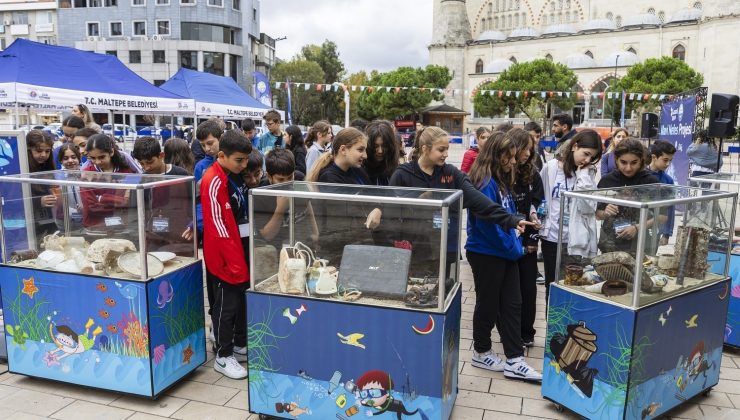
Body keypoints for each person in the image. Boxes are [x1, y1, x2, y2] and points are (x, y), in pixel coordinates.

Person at [466, 128, 542, 381]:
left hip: (506, 253)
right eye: (508, 157)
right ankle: (481, 350)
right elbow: (489, 226)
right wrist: (514, 247)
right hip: (487, 253)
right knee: (488, 304)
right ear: (495, 155)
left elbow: (506, 219)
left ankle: (514, 358)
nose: (512, 161)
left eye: (513, 156)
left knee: (512, 304)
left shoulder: (500, 180)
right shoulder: (485, 182)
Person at [200, 130, 252, 379]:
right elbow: (219, 227)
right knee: (225, 307)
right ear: (222, 155)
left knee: (239, 304)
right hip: (223, 258)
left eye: (246, 160)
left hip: (234, 253)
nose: (244, 165)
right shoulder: (213, 180)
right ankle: (223, 355)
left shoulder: (228, 175)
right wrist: (234, 263)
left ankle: (240, 344)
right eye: (239, 160)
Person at [539, 130, 602, 305]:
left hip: (575, 241)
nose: (587, 160)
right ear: (575, 146)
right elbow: (542, 198)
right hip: (552, 237)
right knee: (552, 286)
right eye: (586, 154)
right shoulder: (550, 168)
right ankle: (553, 326)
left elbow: (588, 207)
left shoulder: (587, 173)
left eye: (592, 157)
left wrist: (583, 176)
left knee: (574, 286)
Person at [507, 128, 544, 349]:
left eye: (531, 150)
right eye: (525, 149)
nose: (528, 154)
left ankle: (526, 332)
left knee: (529, 289)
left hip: (528, 238)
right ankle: (509, 332)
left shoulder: (533, 173)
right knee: (511, 292)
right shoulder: (501, 173)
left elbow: (538, 204)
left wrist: (533, 238)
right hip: (507, 239)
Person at [596, 139, 659, 255]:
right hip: (610, 245)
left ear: (641, 160)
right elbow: (598, 214)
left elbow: (661, 216)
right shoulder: (607, 181)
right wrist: (605, 212)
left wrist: (637, 228)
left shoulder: (651, 182)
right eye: (623, 162)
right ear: (616, 160)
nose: (628, 168)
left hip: (640, 246)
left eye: (634, 162)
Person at [80, 134, 134, 234]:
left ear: (112, 152)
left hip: (120, 227)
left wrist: (102, 198)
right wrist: (119, 201)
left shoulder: (127, 171)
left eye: (102, 157)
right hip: (95, 228)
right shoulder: (87, 174)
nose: (97, 161)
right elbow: (92, 207)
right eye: (92, 158)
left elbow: (130, 202)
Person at [27, 130, 58, 241]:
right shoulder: (22, 168)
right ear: (29, 150)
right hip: (27, 224)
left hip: (48, 222)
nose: (43, 155)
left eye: (47, 151)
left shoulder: (47, 167)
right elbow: (13, 198)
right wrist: (38, 201)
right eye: (39, 151)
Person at [648, 140, 677, 246]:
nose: (668, 164)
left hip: (657, 228)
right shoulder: (640, 175)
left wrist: (666, 234)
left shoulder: (668, 181)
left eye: (670, 160)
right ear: (654, 157)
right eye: (665, 160)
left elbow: (670, 208)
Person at [54, 144, 84, 232]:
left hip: (85, 220)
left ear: (79, 158)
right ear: (61, 161)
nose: (70, 161)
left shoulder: (87, 174)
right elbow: (58, 202)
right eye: (66, 158)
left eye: (73, 157)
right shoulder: (57, 177)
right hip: (64, 222)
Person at [363, 120, 400, 185]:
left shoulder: (397, 171)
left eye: (384, 146)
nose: (380, 151)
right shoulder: (359, 169)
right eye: (375, 146)